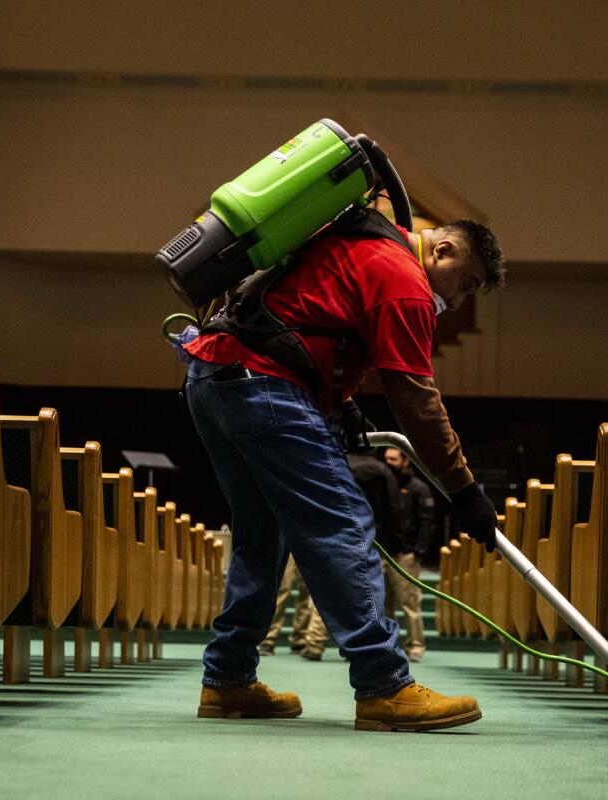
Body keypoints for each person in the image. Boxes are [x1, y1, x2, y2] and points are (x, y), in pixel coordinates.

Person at [183, 208, 505, 732]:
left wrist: (340, 398)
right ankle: (385, 687)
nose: (458, 302)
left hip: (213, 374)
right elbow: (417, 401)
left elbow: (312, 312)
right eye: (464, 284)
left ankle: (228, 679)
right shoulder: (406, 281)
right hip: (266, 385)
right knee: (342, 524)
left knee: (261, 535)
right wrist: (463, 489)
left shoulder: (361, 239)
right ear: (442, 250)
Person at [382, 446, 435, 662]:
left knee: (410, 604)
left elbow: (427, 522)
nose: (389, 463)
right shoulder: (382, 485)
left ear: (405, 461)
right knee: (382, 604)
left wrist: (418, 551)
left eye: (393, 459)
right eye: (386, 459)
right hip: (382, 552)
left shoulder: (418, 488)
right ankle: (384, 647)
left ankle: (415, 646)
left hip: (405, 555)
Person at [259, 555, 329, 660]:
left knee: (307, 590)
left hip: (311, 543)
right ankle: (268, 639)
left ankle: (299, 639)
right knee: (282, 587)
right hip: (287, 543)